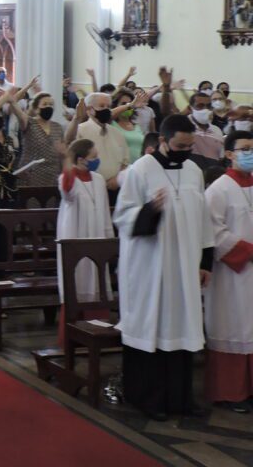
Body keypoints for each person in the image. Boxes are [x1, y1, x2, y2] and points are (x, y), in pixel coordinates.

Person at [113, 115, 214, 421]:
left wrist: (205, 261)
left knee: (183, 327)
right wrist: (150, 210)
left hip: (184, 266)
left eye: (190, 145)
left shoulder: (194, 170)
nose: (186, 150)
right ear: (163, 141)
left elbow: (203, 218)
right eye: (180, 145)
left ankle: (181, 399)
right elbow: (122, 216)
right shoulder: (140, 170)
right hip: (150, 267)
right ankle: (148, 398)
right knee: (152, 327)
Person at [202, 130, 253, 413]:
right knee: (233, 326)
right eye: (245, 148)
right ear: (230, 153)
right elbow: (211, 230)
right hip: (231, 273)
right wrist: (247, 251)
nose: (250, 154)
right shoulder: (218, 189)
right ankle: (229, 392)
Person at [56, 139, 114, 346]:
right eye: (93, 157)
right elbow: (68, 193)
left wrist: (108, 241)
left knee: (97, 285)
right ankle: (72, 338)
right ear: (81, 159)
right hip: (76, 240)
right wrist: (67, 160)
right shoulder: (67, 177)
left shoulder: (98, 179)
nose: (97, 160)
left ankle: (98, 334)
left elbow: (105, 211)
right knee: (77, 285)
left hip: (98, 239)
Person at [66, 92, 130, 192]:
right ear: (89, 110)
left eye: (108, 106)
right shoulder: (80, 130)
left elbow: (125, 162)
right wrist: (76, 118)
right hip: (89, 187)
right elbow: (68, 142)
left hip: (116, 187)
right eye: (101, 106)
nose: (106, 109)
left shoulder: (117, 133)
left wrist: (117, 179)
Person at [8, 84, 63, 187]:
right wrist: (12, 101)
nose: (48, 107)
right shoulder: (29, 122)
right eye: (45, 104)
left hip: (53, 175)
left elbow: (61, 152)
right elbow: (18, 113)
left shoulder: (58, 127)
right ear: (37, 108)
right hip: (31, 175)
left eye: (51, 105)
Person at [187, 91, 225, 165]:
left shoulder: (216, 130)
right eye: (200, 106)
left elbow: (220, 157)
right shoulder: (183, 127)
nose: (205, 109)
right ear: (190, 108)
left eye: (208, 106)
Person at [111, 89, 148, 164]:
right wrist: (130, 105)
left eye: (130, 103)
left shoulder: (137, 126)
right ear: (116, 105)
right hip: (120, 168)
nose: (128, 106)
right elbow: (108, 114)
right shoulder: (111, 123)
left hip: (136, 168)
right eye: (123, 103)